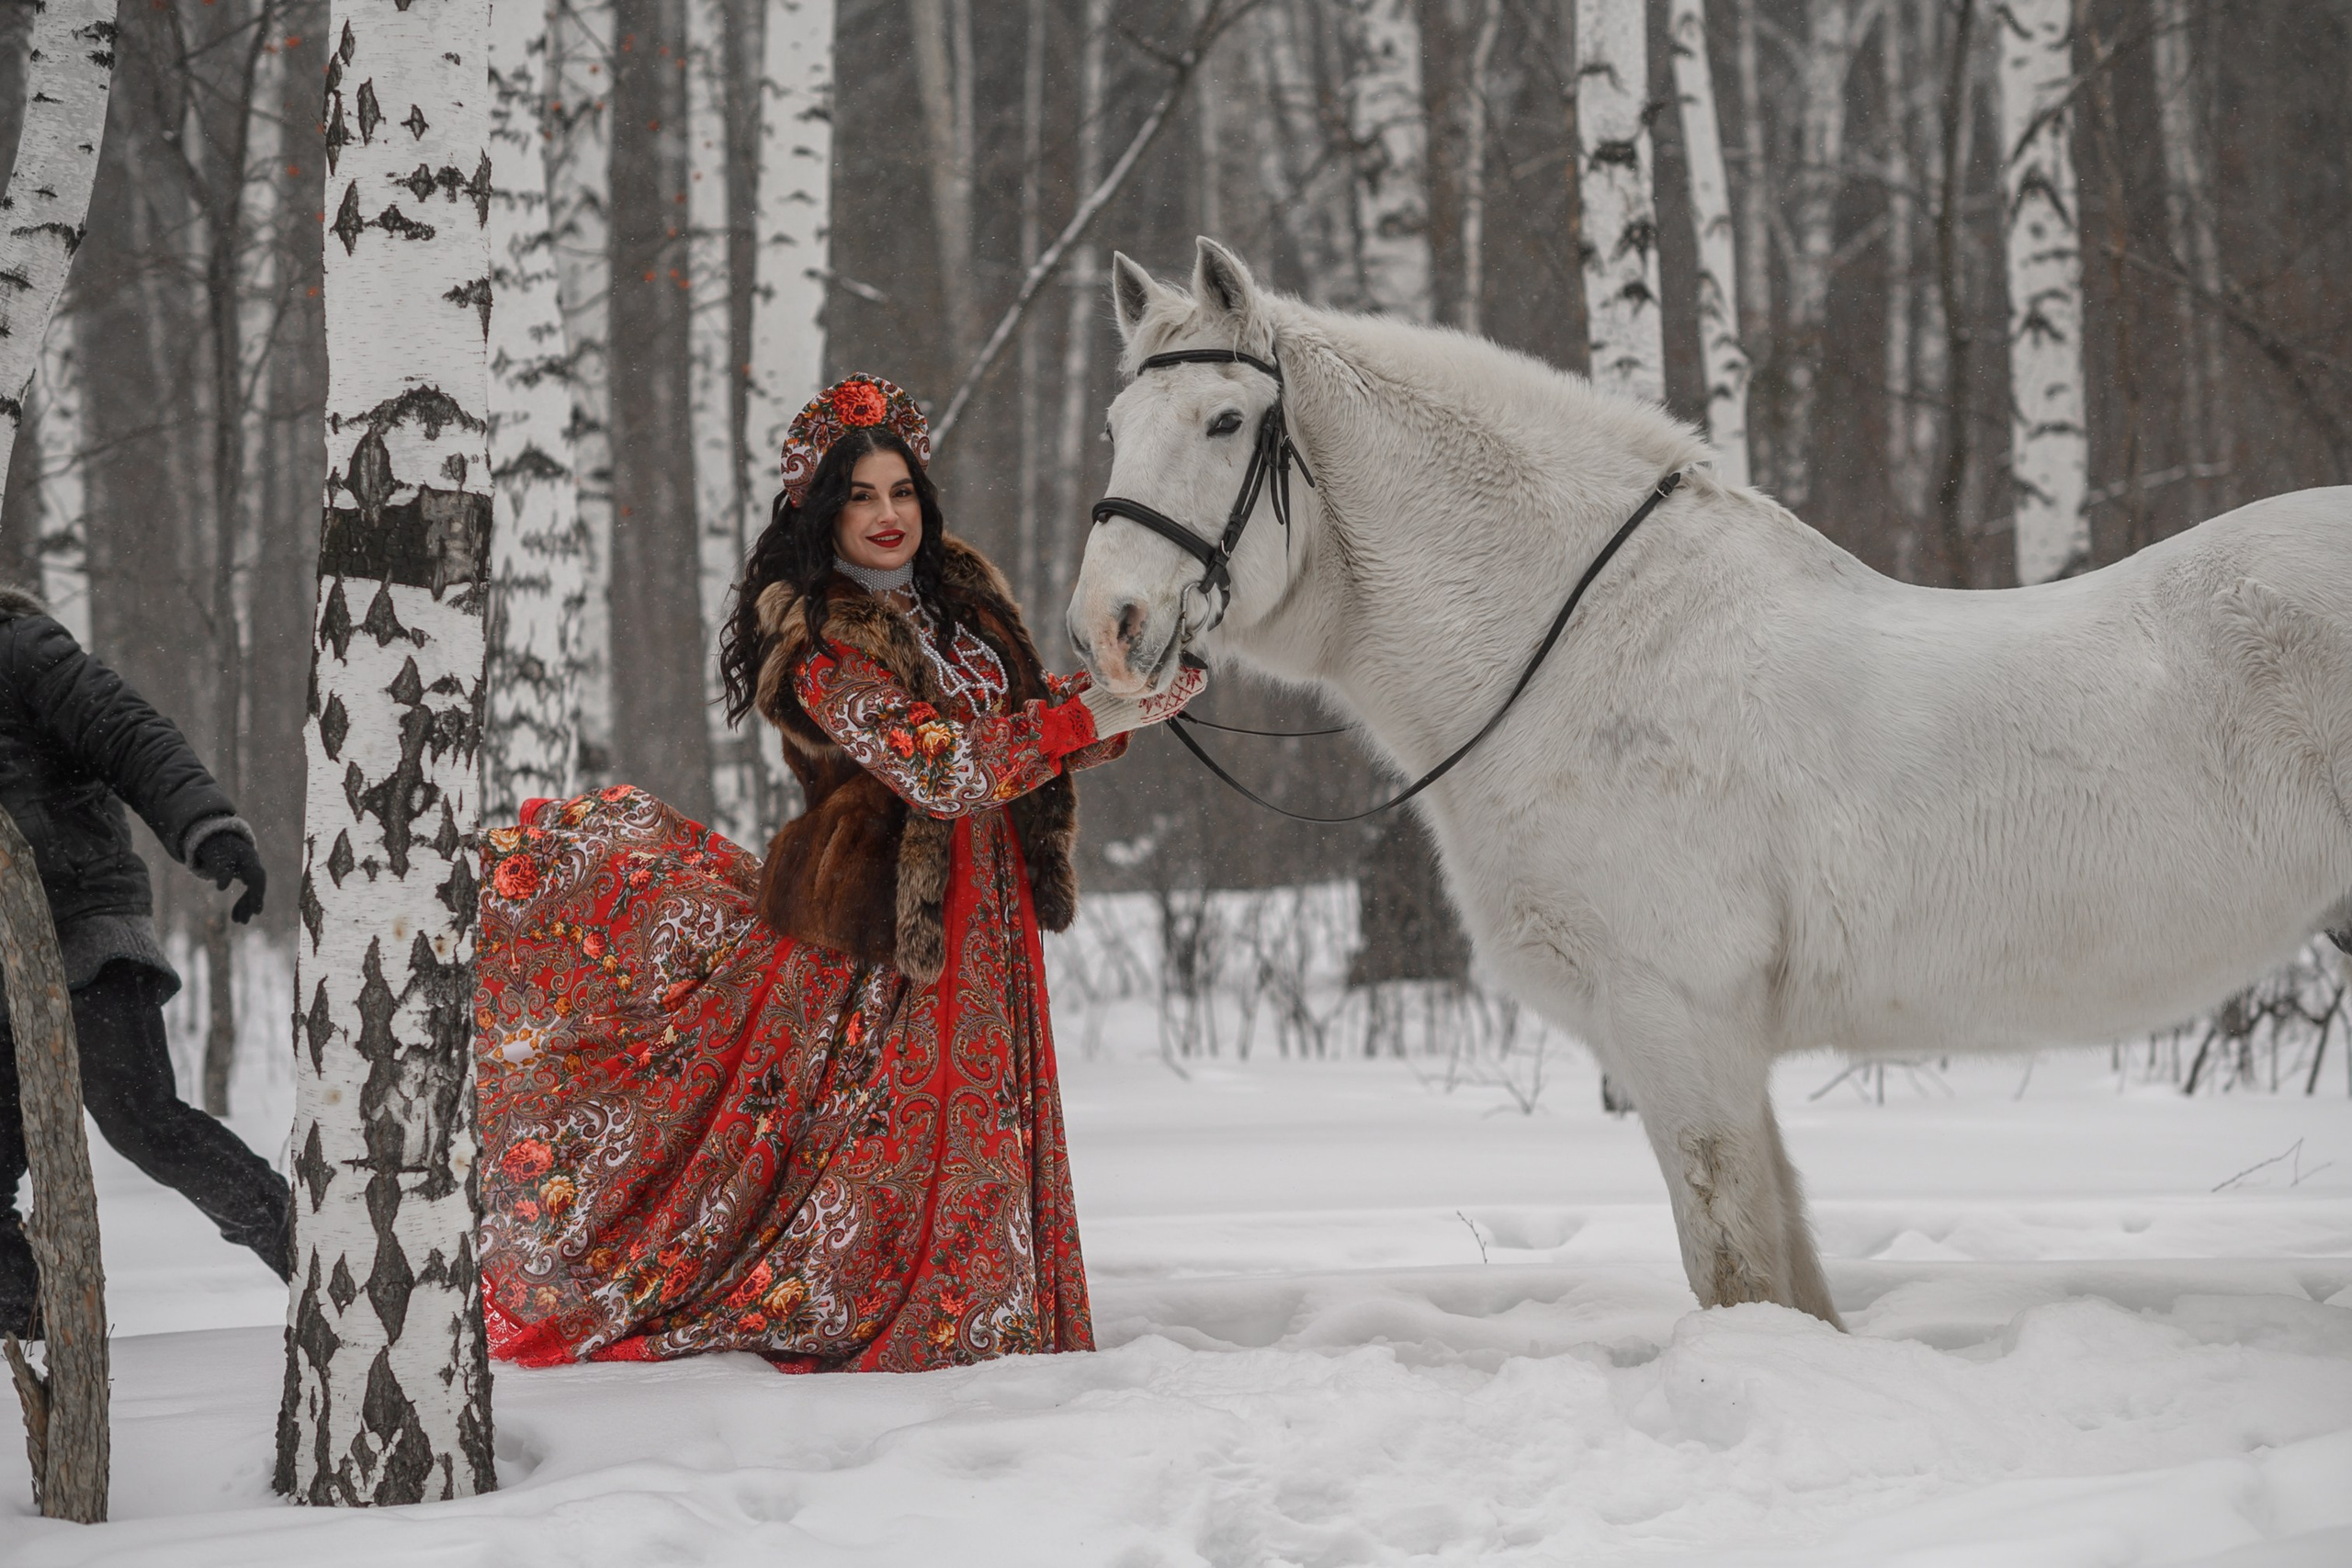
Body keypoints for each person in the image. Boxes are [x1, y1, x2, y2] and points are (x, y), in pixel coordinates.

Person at [472, 375, 1198, 1371]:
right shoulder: (819, 640)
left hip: (991, 903)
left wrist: (1132, 695)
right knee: (902, 1138)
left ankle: (995, 1316)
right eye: (860, 497)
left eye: (900, 491)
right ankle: (928, 1323)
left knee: (985, 1113)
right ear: (822, 512)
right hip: (882, 926)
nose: (887, 514)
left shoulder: (967, 605)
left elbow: (1024, 731)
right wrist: (1085, 718)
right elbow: (938, 767)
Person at [0, 587, 288, 1338]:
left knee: (140, 1119)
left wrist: (208, 827)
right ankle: (49, 1336)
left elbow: (131, 734)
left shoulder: (22, 648)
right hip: (0, 962)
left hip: (83, 927)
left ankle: (311, 1253)